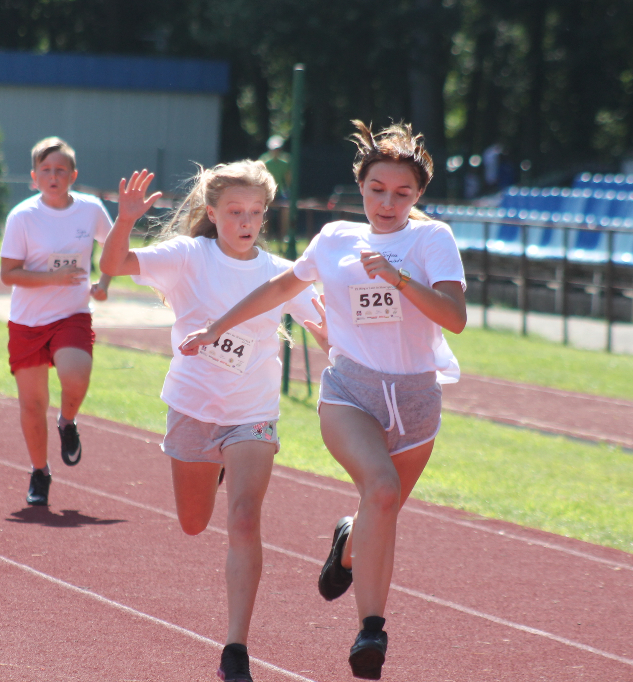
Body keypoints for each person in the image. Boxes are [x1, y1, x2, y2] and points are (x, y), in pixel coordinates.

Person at [180, 121, 467, 680]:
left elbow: (454, 319)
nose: (388, 202)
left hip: (414, 400)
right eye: (378, 189)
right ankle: (372, 632)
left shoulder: (433, 240)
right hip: (350, 391)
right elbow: (281, 288)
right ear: (361, 188)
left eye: (403, 193)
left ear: (419, 196)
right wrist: (216, 326)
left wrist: (402, 279)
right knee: (380, 489)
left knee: (380, 509)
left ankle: (348, 544)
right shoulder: (335, 238)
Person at [100, 161, 323, 682]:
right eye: (235, 212)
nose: (246, 222)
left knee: (243, 520)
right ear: (212, 213)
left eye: (255, 213)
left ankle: (235, 651)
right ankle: (214, 466)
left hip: (253, 415)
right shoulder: (188, 256)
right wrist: (124, 219)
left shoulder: (280, 272)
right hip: (194, 408)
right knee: (194, 522)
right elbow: (114, 262)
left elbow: (324, 329)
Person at [0, 137, 113, 507]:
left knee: (76, 372)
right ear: (34, 177)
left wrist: (104, 282)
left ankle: (67, 421)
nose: (53, 176)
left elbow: (114, 249)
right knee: (32, 405)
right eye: (45, 170)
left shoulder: (91, 210)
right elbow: (8, 273)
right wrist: (51, 277)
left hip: (72, 313)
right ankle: (40, 471)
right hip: (28, 320)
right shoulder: (22, 216)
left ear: (73, 175)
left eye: (60, 170)